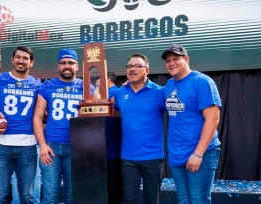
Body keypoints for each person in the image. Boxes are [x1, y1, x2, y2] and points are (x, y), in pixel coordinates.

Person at [33, 48, 100, 204]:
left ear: (77, 66)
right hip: (51, 147)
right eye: (63, 63)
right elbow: (37, 116)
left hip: (77, 147)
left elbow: (102, 111)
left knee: (74, 194)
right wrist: (42, 144)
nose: (67, 66)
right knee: (50, 195)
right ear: (58, 66)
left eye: (70, 63)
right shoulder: (48, 86)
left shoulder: (86, 87)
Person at [0, 46, 41, 204]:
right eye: (18, 57)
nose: (21, 61)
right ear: (12, 60)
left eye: (25, 58)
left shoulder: (37, 84)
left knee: (27, 196)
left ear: (31, 63)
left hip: (28, 147)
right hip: (1, 146)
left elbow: (42, 113)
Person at [162, 44, 222, 203]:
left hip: (200, 153)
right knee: (183, 200)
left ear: (186, 59)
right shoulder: (169, 85)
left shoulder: (202, 82)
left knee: (198, 200)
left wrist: (198, 154)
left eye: (176, 59)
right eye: (168, 60)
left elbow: (213, 119)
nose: (171, 63)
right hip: (177, 155)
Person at [113, 53, 166, 204]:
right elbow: (114, 111)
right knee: (129, 200)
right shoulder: (120, 93)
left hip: (153, 156)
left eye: (137, 66)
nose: (132, 69)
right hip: (128, 157)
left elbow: (177, 114)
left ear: (147, 70)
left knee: (152, 200)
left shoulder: (160, 92)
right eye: (129, 66)